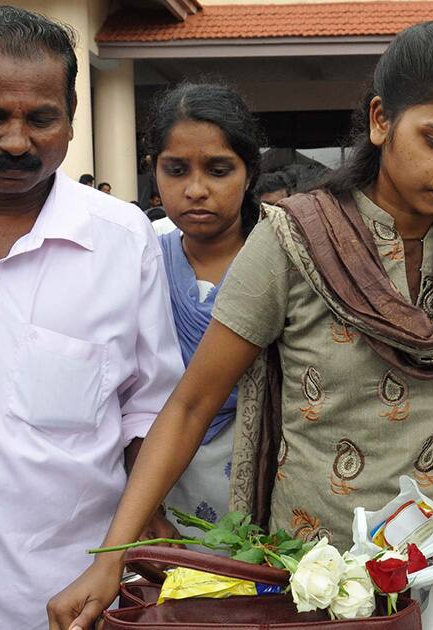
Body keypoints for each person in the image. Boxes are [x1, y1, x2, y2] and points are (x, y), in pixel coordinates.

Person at [48, 20, 433, 628]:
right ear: (381, 121)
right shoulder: (294, 238)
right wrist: (114, 555)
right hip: (318, 574)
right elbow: (191, 405)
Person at [0, 6, 184, 629]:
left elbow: (151, 412)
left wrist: (123, 552)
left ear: (73, 114)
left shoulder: (122, 239)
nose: (16, 141)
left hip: (72, 601)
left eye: (41, 118)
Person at [148, 81, 264, 535]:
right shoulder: (144, 262)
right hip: (165, 472)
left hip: (267, 468)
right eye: (176, 170)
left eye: (218, 170)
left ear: (249, 172)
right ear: (153, 171)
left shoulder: (281, 262)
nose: (196, 189)